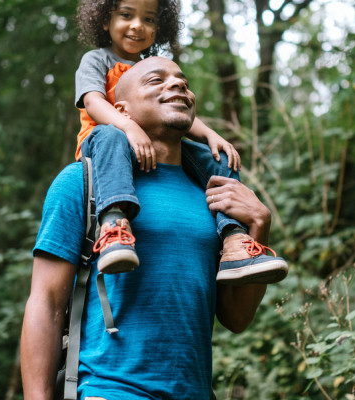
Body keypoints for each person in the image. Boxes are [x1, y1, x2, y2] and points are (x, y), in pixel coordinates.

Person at [21, 57, 282, 399]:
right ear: (122, 110)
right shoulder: (81, 183)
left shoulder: (216, 196)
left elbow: (236, 318)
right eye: (155, 80)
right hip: (110, 389)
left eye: (183, 82)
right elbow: (46, 302)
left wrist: (259, 227)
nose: (177, 85)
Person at [73, 0, 287, 282]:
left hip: (152, 146)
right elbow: (92, 101)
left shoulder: (151, 66)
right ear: (104, 21)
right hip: (104, 145)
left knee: (216, 157)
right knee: (111, 135)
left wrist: (210, 134)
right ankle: (114, 224)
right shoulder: (97, 59)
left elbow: (174, 109)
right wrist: (128, 127)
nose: (138, 25)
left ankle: (234, 239)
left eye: (148, 20)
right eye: (126, 15)